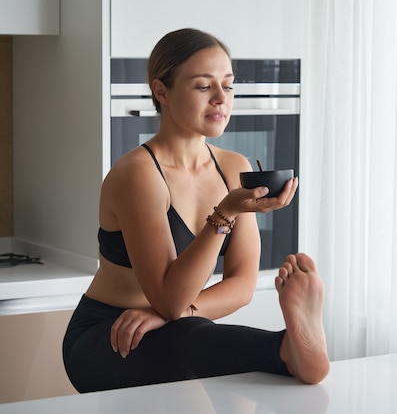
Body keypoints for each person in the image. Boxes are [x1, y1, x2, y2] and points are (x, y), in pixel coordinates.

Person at [62, 28, 329, 393]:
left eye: (228, 85)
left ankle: (289, 349)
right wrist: (226, 212)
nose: (221, 99)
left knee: (191, 332)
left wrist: (172, 314)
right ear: (162, 91)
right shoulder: (137, 175)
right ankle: (284, 349)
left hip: (172, 320)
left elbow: (241, 285)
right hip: (107, 333)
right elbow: (171, 299)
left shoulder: (234, 166)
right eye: (204, 86)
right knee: (187, 336)